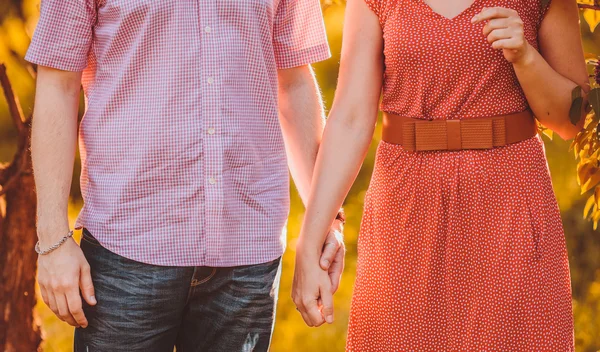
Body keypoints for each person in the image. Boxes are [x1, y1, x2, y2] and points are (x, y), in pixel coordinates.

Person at [26, 0, 345, 351]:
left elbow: (295, 81)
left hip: (248, 251)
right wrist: (53, 240)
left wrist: (325, 223)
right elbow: (58, 84)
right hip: (125, 253)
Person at [293, 0, 587, 350]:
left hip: (509, 204)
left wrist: (525, 57)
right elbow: (350, 120)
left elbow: (573, 119)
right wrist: (309, 244)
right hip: (406, 209)